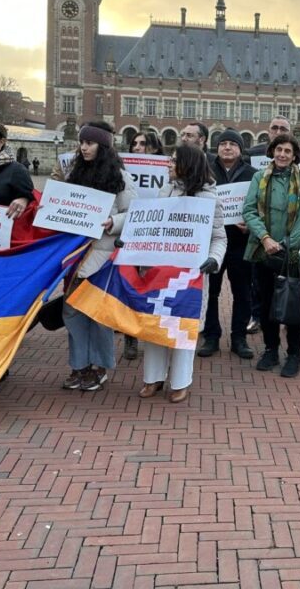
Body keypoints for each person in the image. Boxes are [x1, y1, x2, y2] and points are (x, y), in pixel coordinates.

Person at [138, 145, 226, 403]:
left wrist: (214, 259)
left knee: (182, 326)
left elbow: (219, 237)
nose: (168, 164)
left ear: (188, 164)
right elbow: (152, 225)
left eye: (174, 161)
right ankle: (152, 377)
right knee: (156, 322)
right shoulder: (165, 190)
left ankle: (180, 382)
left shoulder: (210, 199)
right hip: (160, 269)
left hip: (190, 275)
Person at [55, 123, 136, 392]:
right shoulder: (75, 174)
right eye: (82, 142)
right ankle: (79, 366)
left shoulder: (120, 177)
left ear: (102, 146)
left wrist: (113, 221)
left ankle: (99, 368)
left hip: (102, 255)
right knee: (73, 311)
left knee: (98, 314)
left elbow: (133, 212)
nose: (84, 147)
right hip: (76, 255)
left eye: (90, 143)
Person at [242, 132, 300, 377]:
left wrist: (286, 246)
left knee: (292, 305)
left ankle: (294, 354)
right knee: (267, 304)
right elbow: (249, 210)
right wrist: (266, 238)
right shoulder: (259, 177)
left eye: (288, 151)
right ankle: (271, 350)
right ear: (272, 151)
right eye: (279, 149)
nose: (282, 154)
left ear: (295, 156)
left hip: (293, 255)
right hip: (263, 250)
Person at [199, 129, 256, 359]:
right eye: (223, 143)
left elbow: (259, 206)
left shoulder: (253, 174)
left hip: (241, 241)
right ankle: (211, 336)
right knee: (211, 291)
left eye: (233, 144)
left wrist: (252, 224)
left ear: (241, 149)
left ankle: (239, 337)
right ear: (217, 147)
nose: (227, 147)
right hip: (213, 242)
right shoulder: (206, 171)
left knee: (242, 292)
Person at [121, 130, 166, 361]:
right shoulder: (121, 170)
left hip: (155, 235)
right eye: (134, 144)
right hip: (129, 233)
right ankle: (130, 335)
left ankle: (149, 330)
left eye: (142, 144)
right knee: (130, 284)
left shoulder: (167, 171)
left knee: (152, 285)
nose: (137, 148)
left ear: (155, 149)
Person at [245, 116, 300, 183]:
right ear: (268, 132)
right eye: (274, 128)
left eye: (283, 129)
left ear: (289, 133)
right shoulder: (252, 153)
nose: (278, 132)